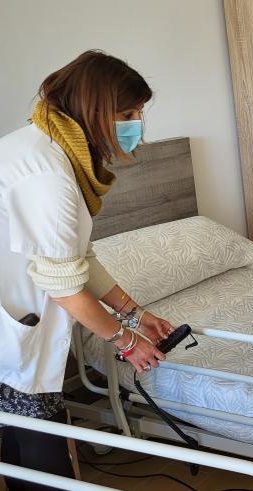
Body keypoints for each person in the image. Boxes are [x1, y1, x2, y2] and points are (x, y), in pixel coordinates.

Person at [0, 51, 175, 489]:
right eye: (128, 114)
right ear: (94, 111)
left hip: (17, 309)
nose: (137, 125)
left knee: (25, 430)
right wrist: (127, 342)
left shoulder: (55, 152)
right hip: (13, 318)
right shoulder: (47, 174)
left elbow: (79, 257)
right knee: (37, 437)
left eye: (139, 113)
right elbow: (65, 286)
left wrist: (135, 314)